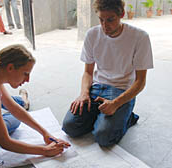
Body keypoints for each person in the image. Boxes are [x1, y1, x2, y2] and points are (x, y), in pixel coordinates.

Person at [62, 0, 153, 147]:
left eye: (110, 20)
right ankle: (103, 118)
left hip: (122, 92)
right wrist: (84, 93)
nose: (105, 26)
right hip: (96, 89)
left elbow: (140, 82)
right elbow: (87, 72)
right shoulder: (92, 34)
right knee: (69, 127)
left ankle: (127, 117)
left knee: (103, 137)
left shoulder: (140, 37)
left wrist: (116, 103)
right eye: (101, 20)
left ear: (121, 14)